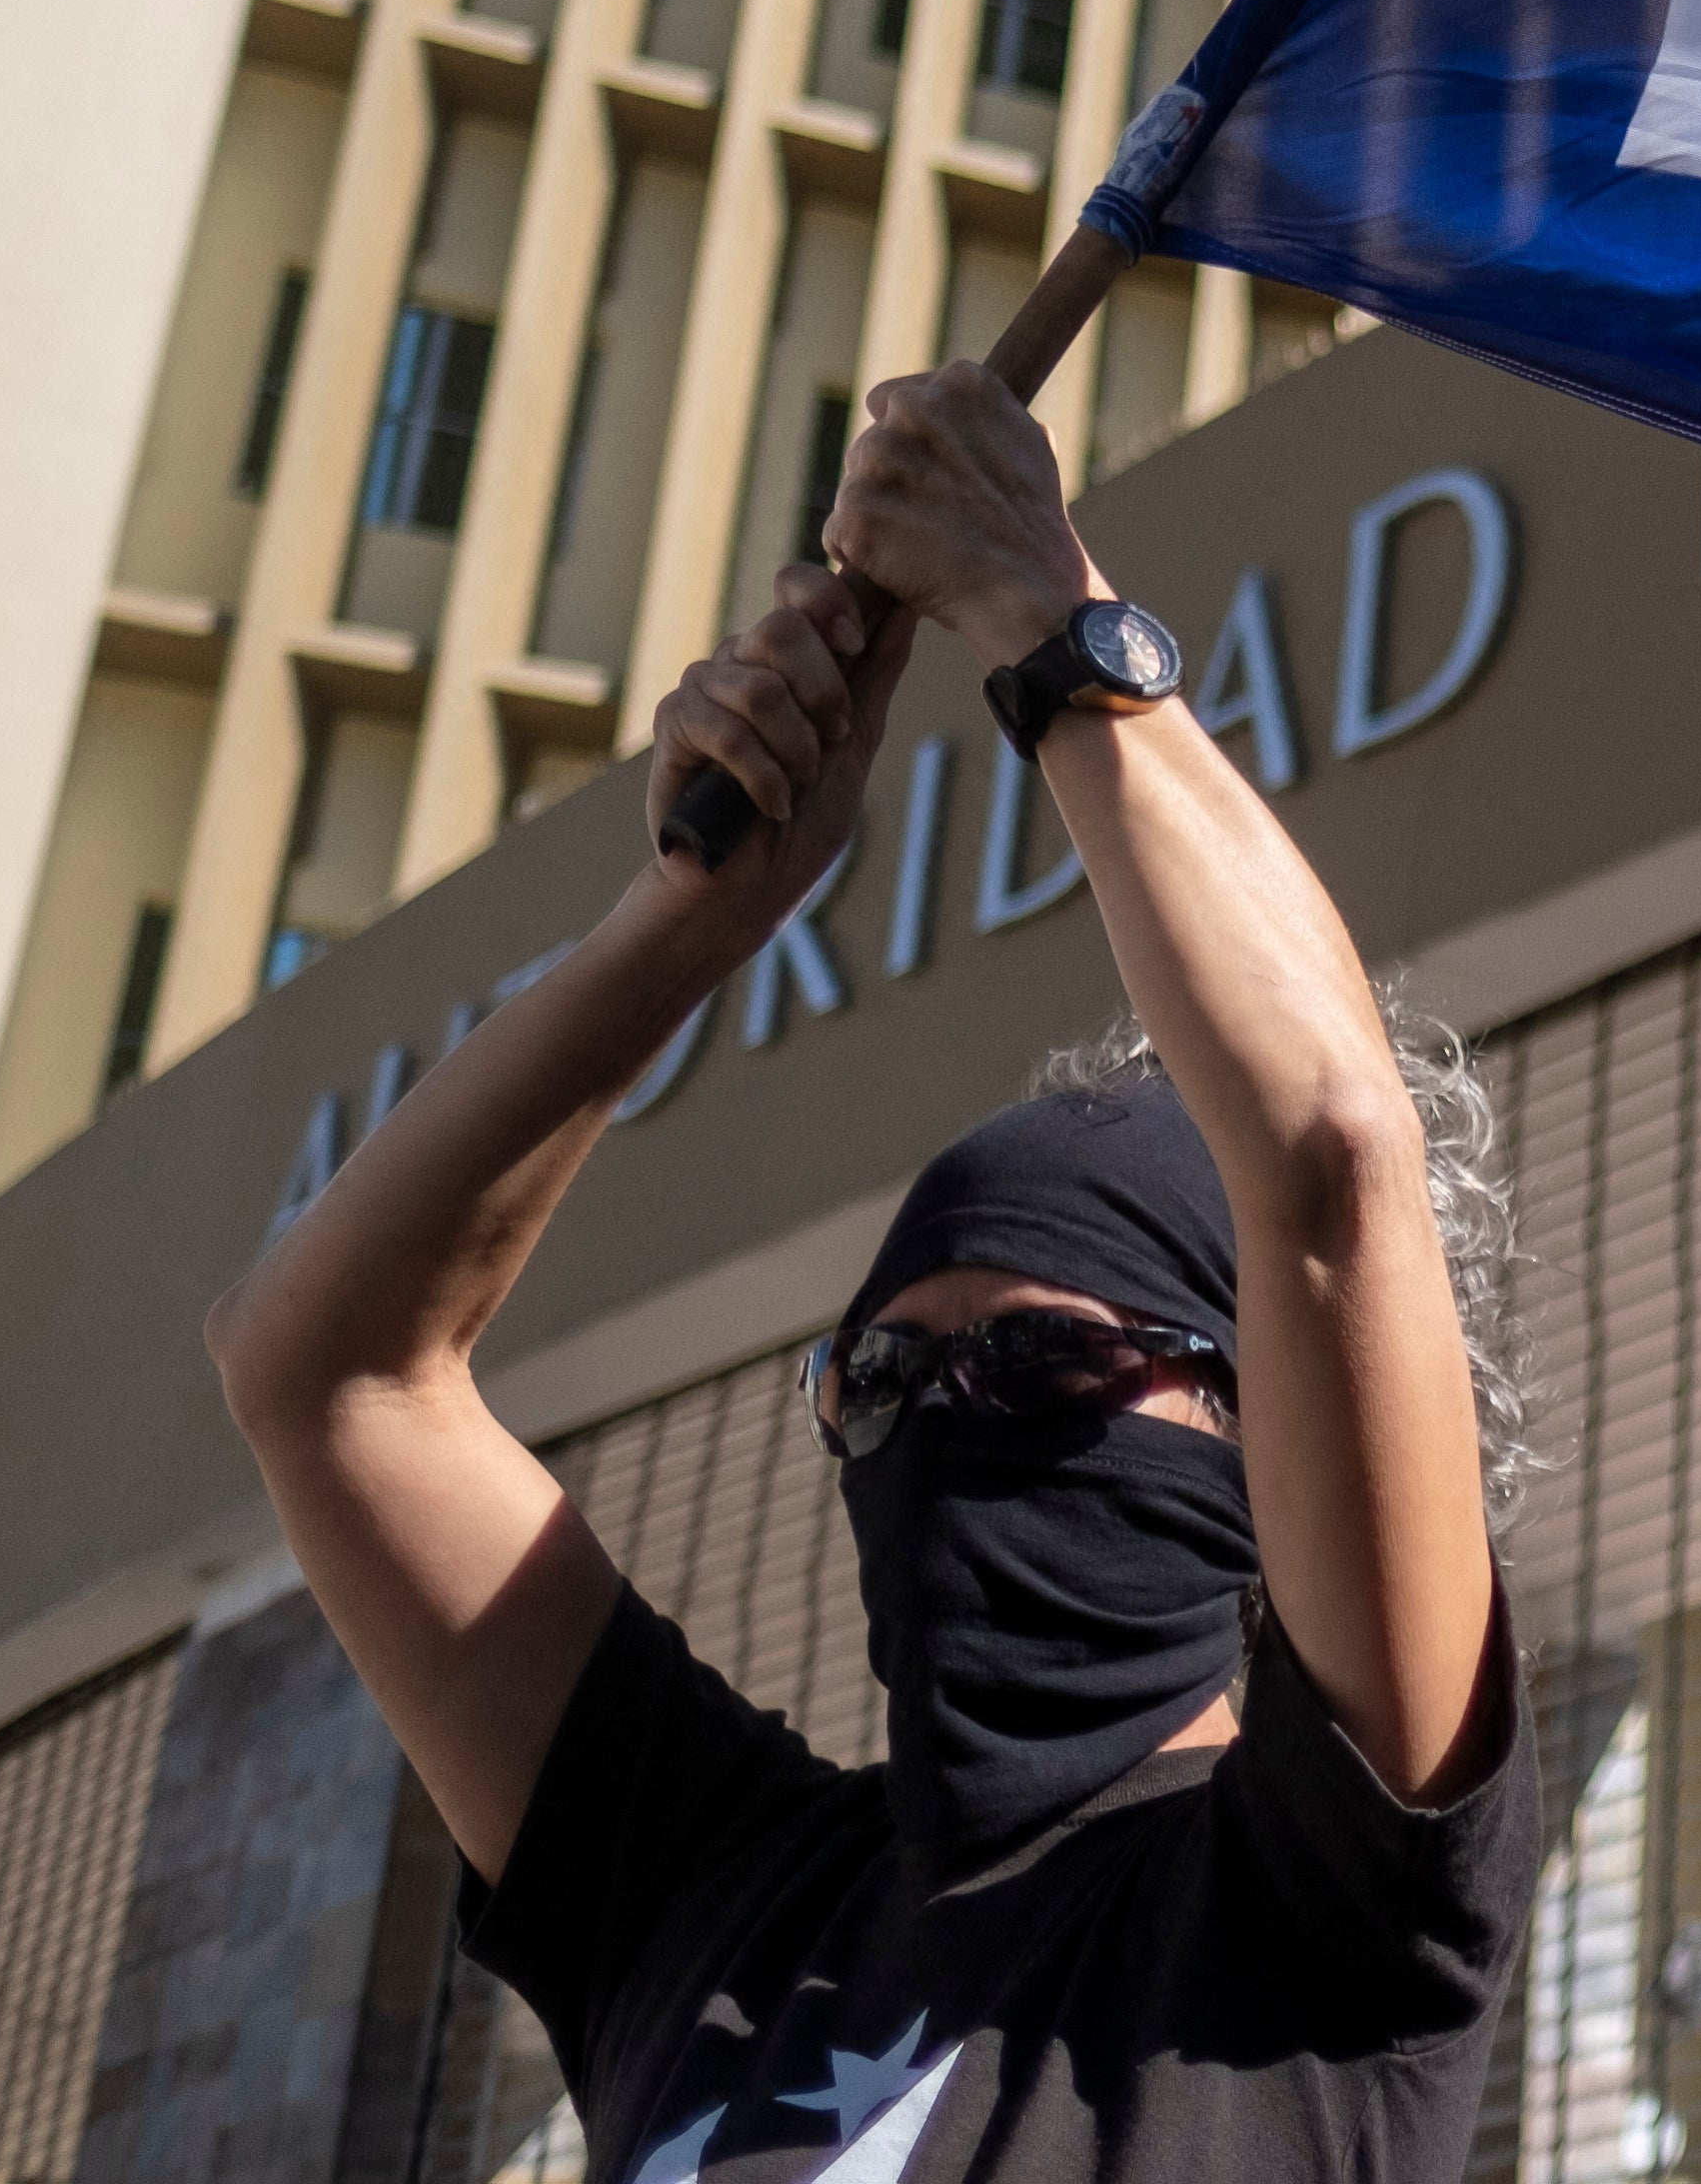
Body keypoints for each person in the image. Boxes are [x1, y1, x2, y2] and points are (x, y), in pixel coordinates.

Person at [206, 364, 1538, 2184]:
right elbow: (329, 1372)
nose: (944, 1430)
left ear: (1253, 1415)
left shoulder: (1328, 1902)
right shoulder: (709, 1890)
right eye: (883, 1385)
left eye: (1045, 1369)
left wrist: (1042, 613)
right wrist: (702, 910)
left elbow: (1326, 1159)